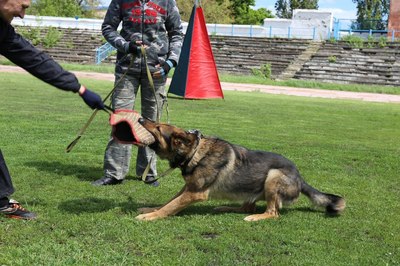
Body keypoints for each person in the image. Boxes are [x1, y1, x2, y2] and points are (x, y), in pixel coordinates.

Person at [0, 0, 105, 219]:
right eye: (23, 6)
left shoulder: (2, 30)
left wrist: (79, 88)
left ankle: (1, 201)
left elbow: (33, 59)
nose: (23, 14)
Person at [92, 0, 183, 186]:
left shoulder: (166, 2)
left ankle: (148, 173)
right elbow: (108, 27)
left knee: (153, 125)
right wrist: (126, 46)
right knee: (121, 121)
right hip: (127, 68)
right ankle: (114, 173)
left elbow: (177, 33)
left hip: (157, 70)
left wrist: (170, 62)